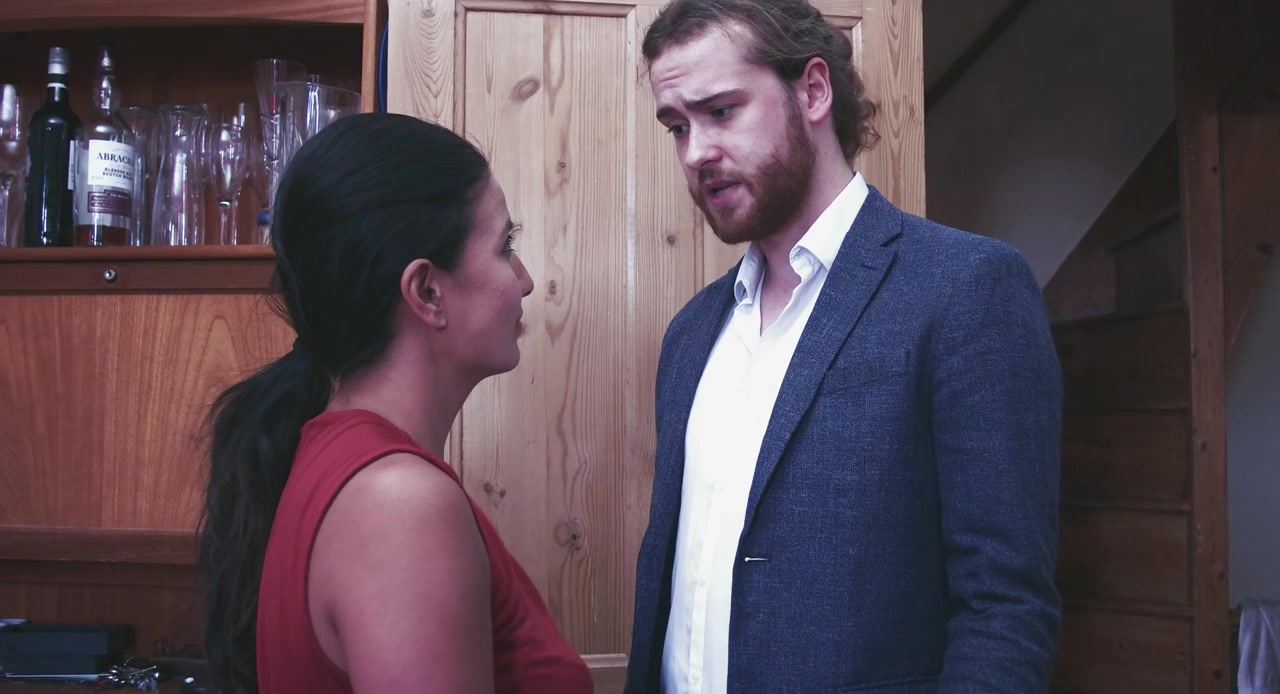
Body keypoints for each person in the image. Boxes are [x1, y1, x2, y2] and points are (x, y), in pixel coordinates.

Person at [626, 1, 1064, 692]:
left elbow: (1005, 609)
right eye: (677, 126)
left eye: (721, 111)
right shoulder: (691, 334)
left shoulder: (966, 289)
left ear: (812, 91)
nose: (696, 151)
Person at [198, 113, 593, 694]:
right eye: (505, 246)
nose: (526, 279)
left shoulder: (349, 465)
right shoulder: (399, 505)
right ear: (428, 291)